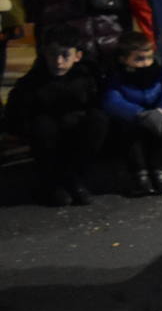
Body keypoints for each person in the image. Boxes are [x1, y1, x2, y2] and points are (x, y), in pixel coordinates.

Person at [4, 26, 109, 206]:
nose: (58, 61)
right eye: (53, 55)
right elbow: (16, 114)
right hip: (47, 135)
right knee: (44, 127)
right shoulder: (33, 81)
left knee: (97, 121)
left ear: (77, 56)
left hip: (78, 131)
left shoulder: (89, 75)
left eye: (65, 55)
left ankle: (74, 179)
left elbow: (101, 104)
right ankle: (54, 183)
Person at [101, 31, 162, 196]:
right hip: (134, 119)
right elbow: (112, 100)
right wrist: (139, 114)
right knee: (127, 126)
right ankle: (140, 174)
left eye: (149, 57)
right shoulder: (117, 77)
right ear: (124, 59)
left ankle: (161, 171)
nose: (146, 63)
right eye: (139, 59)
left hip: (156, 117)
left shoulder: (158, 74)